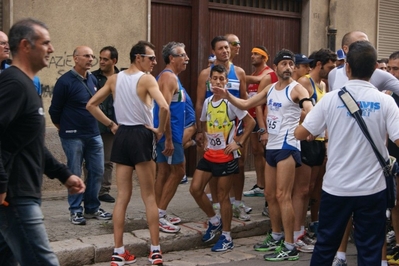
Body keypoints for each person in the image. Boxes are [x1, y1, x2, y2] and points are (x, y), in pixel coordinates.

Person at [295, 40, 399, 266]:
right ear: (374, 70)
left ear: (347, 68)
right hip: (372, 189)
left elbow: (301, 134)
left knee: (325, 246)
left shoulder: (330, 99)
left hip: (336, 187)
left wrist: (302, 122)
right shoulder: (386, 101)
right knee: (370, 249)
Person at [213, 49, 313, 261]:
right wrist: (227, 95)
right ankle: (276, 236)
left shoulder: (296, 89)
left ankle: (290, 245)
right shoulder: (270, 89)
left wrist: (309, 122)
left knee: (282, 195)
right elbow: (246, 104)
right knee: (269, 194)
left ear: (294, 67)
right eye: (283, 63)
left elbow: (308, 105)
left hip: (288, 145)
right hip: (273, 146)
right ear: (276, 67)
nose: (287, 67)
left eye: (290, 63)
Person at [0, 18, 85, 266]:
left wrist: (64, 174)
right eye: (45, 42)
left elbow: (30, 143)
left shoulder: (25, 84)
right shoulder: (13, 84)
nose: (52, 49)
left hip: (21, 191)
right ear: (26, 45)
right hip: (14, 195)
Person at [87, 40, 167, 266]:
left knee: (122, 196)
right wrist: (160, 131)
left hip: (122, 135)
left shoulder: (114, 79)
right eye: (151, 58)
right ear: (138, 57)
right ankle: (155, 251)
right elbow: (164, 106)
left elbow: (91, 104)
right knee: (149, 196)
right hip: (142, 135)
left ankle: (118, 251)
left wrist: (112, 125)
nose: (154, 62)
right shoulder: (147, 79)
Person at [328, 30, 399, 266]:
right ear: (346, 50)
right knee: (342, 219)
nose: (367, 47)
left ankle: (379, 260)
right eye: (362, 43)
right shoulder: (333, 77)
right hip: (341, 163)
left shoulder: (378, 75)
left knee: (373, 224)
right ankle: (340, 255)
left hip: (371, 163)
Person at [189, 64, 255, 252]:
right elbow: (203, 120)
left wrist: (239, 143)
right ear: (209, 80)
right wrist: (202, 134)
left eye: (221, 79)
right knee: (195, 189)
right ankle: (214, 220)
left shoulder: (231, 103)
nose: (218, 82)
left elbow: (251, 122)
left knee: (223, 196)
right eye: (215, 78)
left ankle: (227, 236)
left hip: (227, 156)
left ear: (226, 81)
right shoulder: (209, 101)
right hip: (210, 155)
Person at [49, 46, 112, 225]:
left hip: (93, 133)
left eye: (92, 56)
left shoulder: (92, 79)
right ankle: (75, 210)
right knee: (75, 172)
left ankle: (92, 208)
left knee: (97, 170)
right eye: (86, 56)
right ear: (75, 58)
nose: (91, 59)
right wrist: (64, 128)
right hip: (72, 136)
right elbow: (54, 110)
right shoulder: (65, 81)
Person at [195, 36, 248, 220]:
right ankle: (218, 204)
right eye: (221, 48)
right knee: (215, 167)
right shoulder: (205, 74)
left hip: (236, 123)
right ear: (214, 51)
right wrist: (199, 130)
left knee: (240, 165)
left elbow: (246, 98)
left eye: (227, 47)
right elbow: (200, 103)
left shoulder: (239, 72)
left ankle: (237, 203)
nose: (225, 51)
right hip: (214, 127)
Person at [292, 48, 337, 252]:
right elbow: (296, 112)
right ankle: (296, 233)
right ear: (319, 64)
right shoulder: (304, 82)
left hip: (319, 141)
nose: (333, 69)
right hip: (306, 140)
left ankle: (307, 228)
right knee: (301, 190)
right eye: (330, 66)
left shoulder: (323, 84)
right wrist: (311, 123)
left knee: (313, 189)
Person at [153, 42, 188, 233]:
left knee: (164, 172)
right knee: (179, 171)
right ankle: (159, 214)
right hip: (170, 134)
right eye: (182, 55)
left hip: (170, 133)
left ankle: (157, 212)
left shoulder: (171, 77)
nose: (186, 59)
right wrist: (167, 138)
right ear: (171, 58)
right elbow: (163, 108)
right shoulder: (168, 78)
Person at [243, 46, 277, 198]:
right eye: (252, 54)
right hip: (251, 117)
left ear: (265, 57)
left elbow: (258, 81)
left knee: (263, 152)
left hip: (262, 116)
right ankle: (260, 184)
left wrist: (238, 75)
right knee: (256, 151)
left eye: (256, 54)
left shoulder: (268, 73)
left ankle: (267, 184)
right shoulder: (253, 73)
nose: (252, 56)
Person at [92, 46, 120, 203]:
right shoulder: (93, 77)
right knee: (90, 159)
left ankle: (104, 191)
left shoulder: (121, 77)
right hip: (95, 123)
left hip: (114, 125)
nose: (101, 62)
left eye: (105, 59)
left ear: (114, 61)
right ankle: (90, 190)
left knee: (108, 160)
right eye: (100, 58)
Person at [385, 51, 399, 265]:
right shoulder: (388, 97)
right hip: (393, 157)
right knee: (395, 204)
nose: (391, 73)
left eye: (395, 69)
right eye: (389, 69)